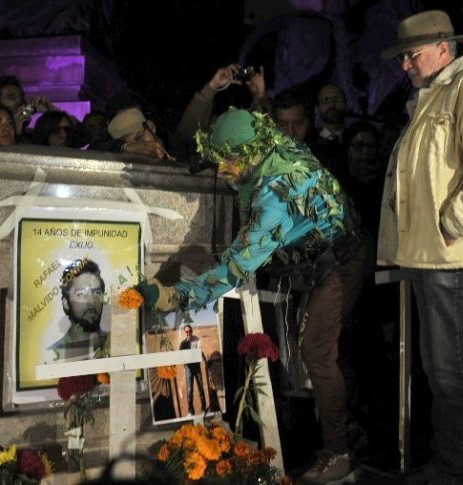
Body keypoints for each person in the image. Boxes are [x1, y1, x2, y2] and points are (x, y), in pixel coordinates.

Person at [136, 108, 372, 483]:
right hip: (319, 259)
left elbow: (236, 266)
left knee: (316, 353)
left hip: (340, 263)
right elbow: (244, 182)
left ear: (248, 153)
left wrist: (175, 296)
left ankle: (340, 454)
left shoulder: (276, 195)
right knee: (318, 354)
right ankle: (344, 436)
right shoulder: (270, 146)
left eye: (227, 161)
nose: (223, 171)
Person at [377, 10, 463, 485]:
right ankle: (448, 466)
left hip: (448, 258)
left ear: (442, 48)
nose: (405, 66)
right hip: (429, 258)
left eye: (411, 55)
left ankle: (460, 473)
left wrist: (449, 229)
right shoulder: (432, 97)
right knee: (441, 372)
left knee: (453, 371)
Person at [47, 258, 109, 362]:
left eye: (97, 293)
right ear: (66, 303)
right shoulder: (54, 355)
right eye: (81, 294)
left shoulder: (115, 347)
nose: (92, 302)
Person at [178, 324, 207, 416]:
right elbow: (181, 355)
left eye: (190, 331)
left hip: (197, 367)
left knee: (201, 388)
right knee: (189, 391)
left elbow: (200, 351)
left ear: (192, 331)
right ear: (185, 332)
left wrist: (205, 360)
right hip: (188, 368)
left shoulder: (196, 339)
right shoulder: (183, 343)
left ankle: (204, 408)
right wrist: (187, 342)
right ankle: (191, 411)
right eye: (187, 331)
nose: (189, 333)